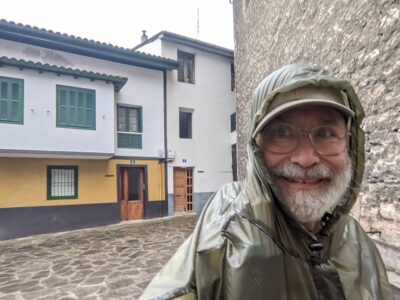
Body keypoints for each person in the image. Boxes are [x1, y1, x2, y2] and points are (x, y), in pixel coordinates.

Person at [140, 64, 393, 300]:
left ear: (349, 145)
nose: (306, 159)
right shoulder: (225, 232)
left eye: (325, 133)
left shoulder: (358, 241)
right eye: (282, 133)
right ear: (257, 148)